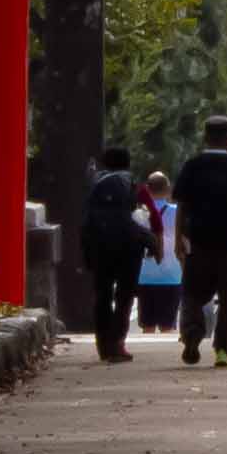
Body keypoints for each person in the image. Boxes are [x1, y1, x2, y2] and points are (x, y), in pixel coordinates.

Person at [169, 118, 227, 366]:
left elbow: (182, 205)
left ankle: (191, 337)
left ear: (205, 137)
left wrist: (178, 238)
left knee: (194, 294)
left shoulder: (192, 166)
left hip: (197, 242)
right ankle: (224, 348)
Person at [72, 141, 152, 364]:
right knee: (125, 295)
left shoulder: (94, 184)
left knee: (103, 295)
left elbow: (86, 220)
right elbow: (149, 216)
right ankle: (118, 342)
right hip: (127, 247)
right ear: (127, 163)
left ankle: (104, 345)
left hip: (100, 246)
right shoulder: (131, 183)